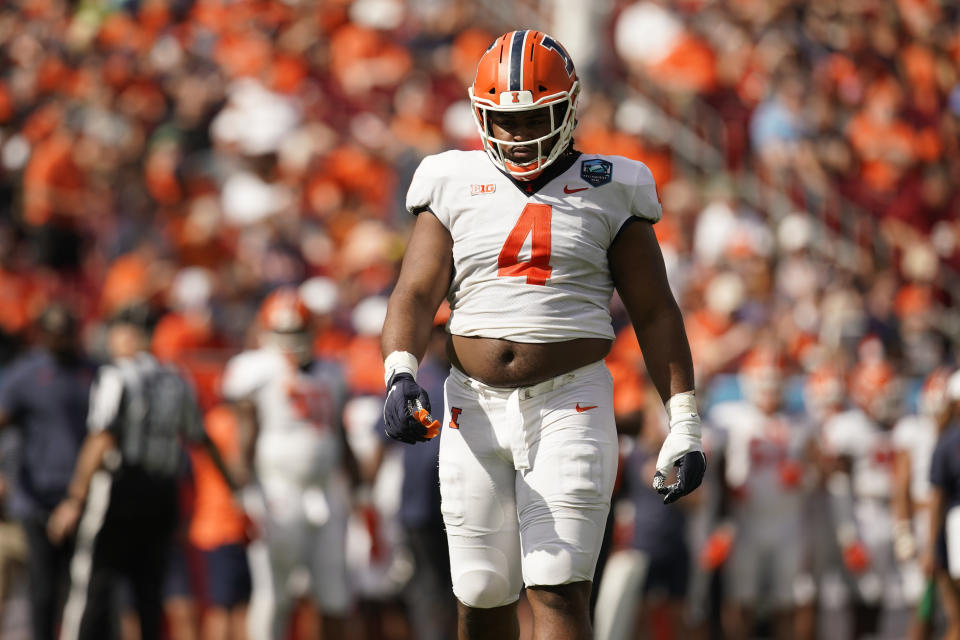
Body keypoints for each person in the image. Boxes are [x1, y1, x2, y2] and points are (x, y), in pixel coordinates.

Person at [380, 30, 705, 640]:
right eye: (505, 120)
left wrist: (682, 420)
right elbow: (416, 291)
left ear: (569, 108)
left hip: (570, 400)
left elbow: (656, 311)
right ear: (482, 117)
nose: (519, 134)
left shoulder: (614, 183)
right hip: (471, 402)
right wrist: (399, 368)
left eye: (536, 118)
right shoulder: (449, 178)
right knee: (479, 593)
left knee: (557, 585)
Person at [47, 306, 232, 640]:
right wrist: (235, 486)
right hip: (162, 492)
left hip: (121, 489)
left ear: (132, 336)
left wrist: (75, 498)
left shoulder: (117, 375)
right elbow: (201, 438)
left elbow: (102, 436)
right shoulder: (177, 378)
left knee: (91, 584)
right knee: (149, 591)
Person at [221, 287, 355, 640]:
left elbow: (340, 432)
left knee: (334, 593)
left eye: (297, 332)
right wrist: (242, 492)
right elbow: (244, 435)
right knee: (274, 593)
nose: (291, 341)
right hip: (277, 492)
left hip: (325, 492)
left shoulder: (332, 370)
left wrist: (361, 490)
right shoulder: (257, 369)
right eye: (283, 333)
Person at [0, 304, 94, 640]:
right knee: (43, 589)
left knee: (84, 588)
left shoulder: (93, 371)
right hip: (38, 496)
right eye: (53, 333)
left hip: (83, 496)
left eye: (65, 333)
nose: (60, 340)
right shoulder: (26, 373)